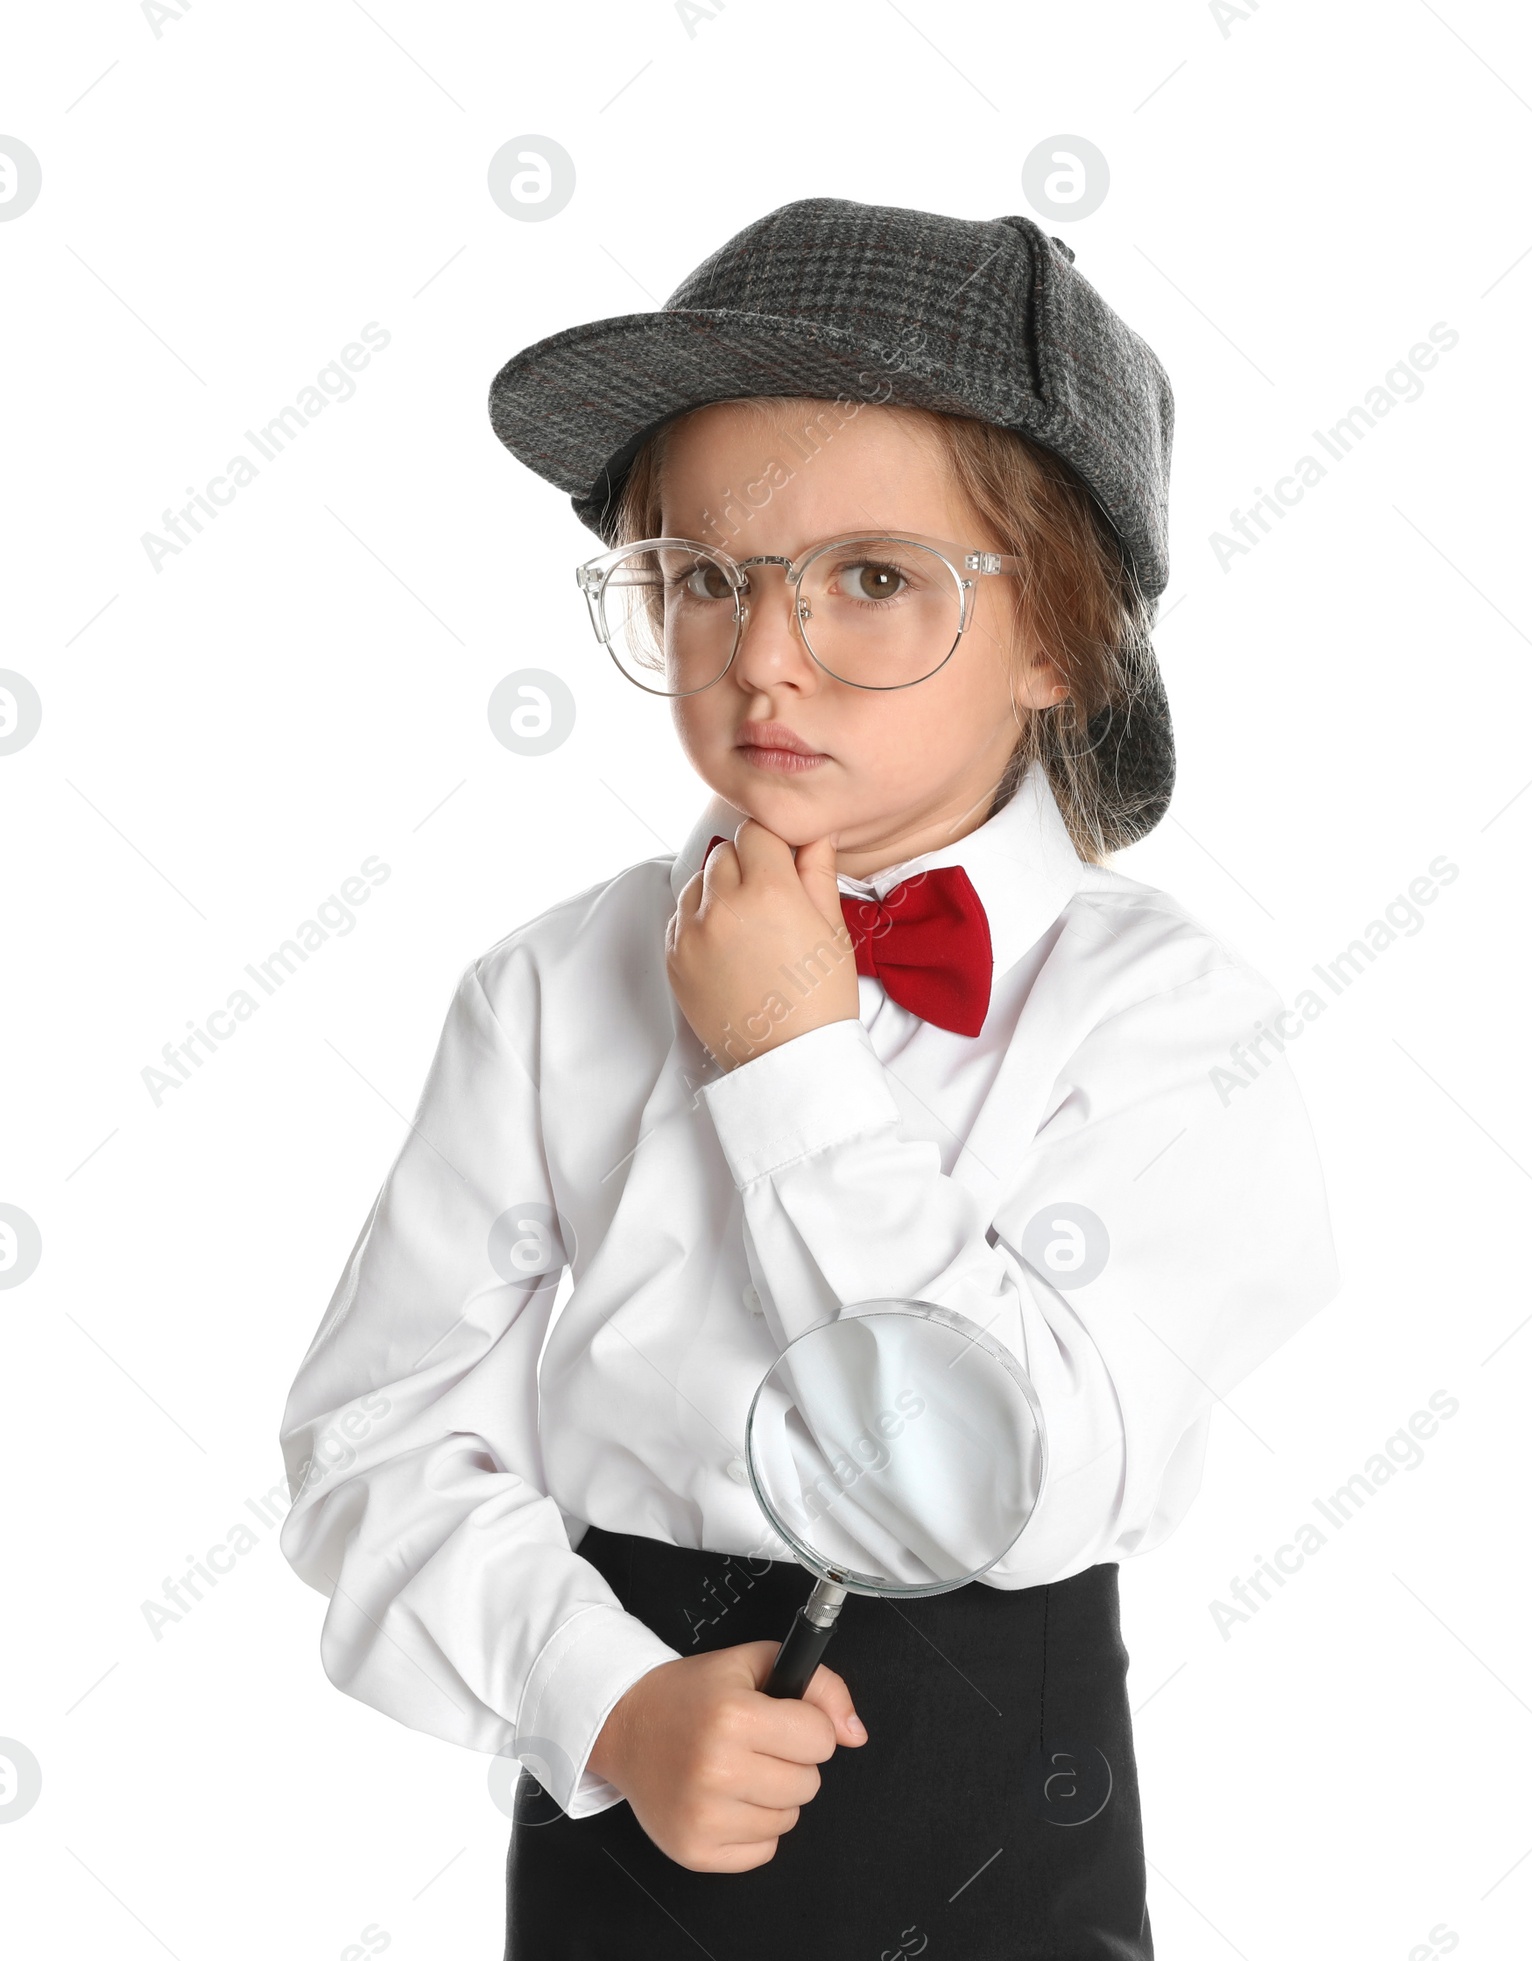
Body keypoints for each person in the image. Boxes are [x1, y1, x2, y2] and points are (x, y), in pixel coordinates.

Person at [278, 196, 1339, 1960]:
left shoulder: (1170, 1023)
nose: (763, 652)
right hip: (628, 1796)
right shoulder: (550, 992)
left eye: (869, 577)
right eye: (704, 575)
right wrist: (608, 1700)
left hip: (1004, 1809)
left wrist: (790, 1059)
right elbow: (371, 1431)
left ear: (1063, 637)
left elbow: (1012, 1473)